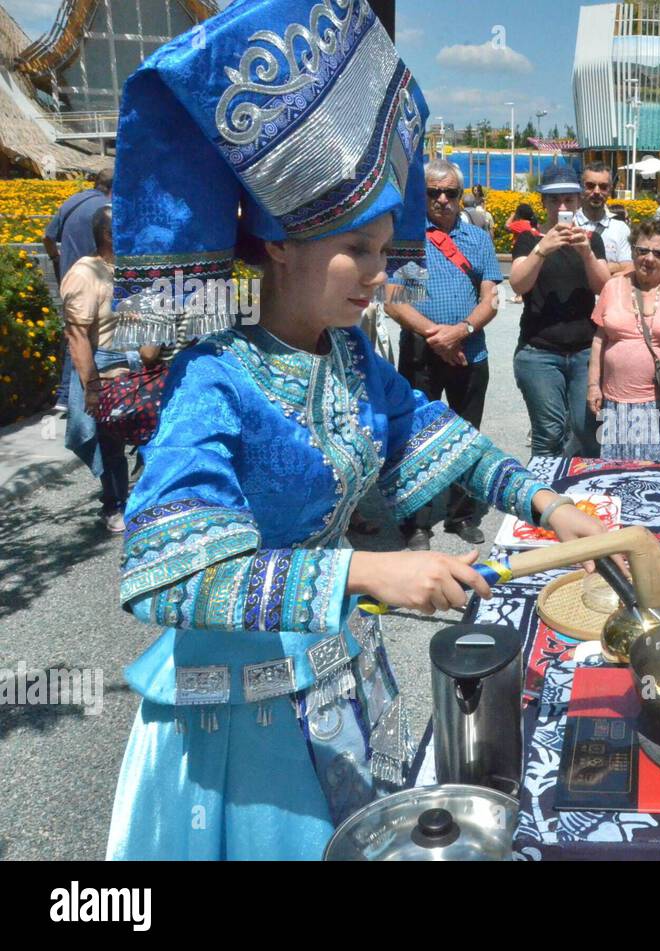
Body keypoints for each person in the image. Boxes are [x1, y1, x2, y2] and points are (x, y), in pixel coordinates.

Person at [104, 0, 614, 861]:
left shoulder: (344, 354)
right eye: (359, 252)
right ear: (275, 245)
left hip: (340, 678)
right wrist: (369, 568)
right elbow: (167, 575)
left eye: (385, 253)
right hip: (241, 717)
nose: (379, 278)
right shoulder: (213, 376)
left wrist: (549, 503)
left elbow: (436, 433)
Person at [385, 159, 503, 548]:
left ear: (460, 195)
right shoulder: (406, 239)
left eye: (450, 192)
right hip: (421, 352)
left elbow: (490, 298)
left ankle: (461, 515)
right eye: (433, 192)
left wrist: (462, 331)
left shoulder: (479, 239)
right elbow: (391, 299)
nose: (442, 200)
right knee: (415, 437)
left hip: (470, 352)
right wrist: (437, 337)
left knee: (467, 436)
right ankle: (416, 522)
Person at [61, 206, 160, 532]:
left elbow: (148, 335)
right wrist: (91, 386)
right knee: (110, 443)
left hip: (139, 361)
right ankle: (114, 503)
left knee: (155, 430)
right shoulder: (85, 273)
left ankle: (146, 494)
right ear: (108, 234)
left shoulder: (130, 270)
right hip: (107, 363)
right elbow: (76, 335)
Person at [510, 162, 610, 457]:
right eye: (554, 200)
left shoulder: (591, 240)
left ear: (578, 201)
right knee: (549, 432)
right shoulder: (530, 240)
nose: (562, 206)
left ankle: (582, 495)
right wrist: (542, 249)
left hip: (583, 352)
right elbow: (518, 284)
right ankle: (543, 499)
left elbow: (604, 288)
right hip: (539, 352)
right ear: (543, 202)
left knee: (587, 429)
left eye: (568, 199)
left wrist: (587, 254)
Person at [588, 219, 660, 460]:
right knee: (618, 476)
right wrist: (593, 386)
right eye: (642, 251)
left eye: (658, 253)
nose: (649, 259)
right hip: (618, 405)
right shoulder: (612, 286)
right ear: (632, 251)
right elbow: (599, 340)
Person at [45, 167, 114, 411]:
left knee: (75, 335)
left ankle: (65, 396)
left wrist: (56, 261)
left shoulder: (72, 201)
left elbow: (47, 237)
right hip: (93, 278)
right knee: (85, 338)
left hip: (71, 276)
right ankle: (76, 401)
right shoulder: (105, 211)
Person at [576, 161, 633, 277]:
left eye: (603, 187)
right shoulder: (571, 224)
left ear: (610, 190)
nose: (597, 191)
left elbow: (629, 266)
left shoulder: (621, 228)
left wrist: (586, 265)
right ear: (581, 187)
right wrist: (613, 266)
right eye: (590, 186)